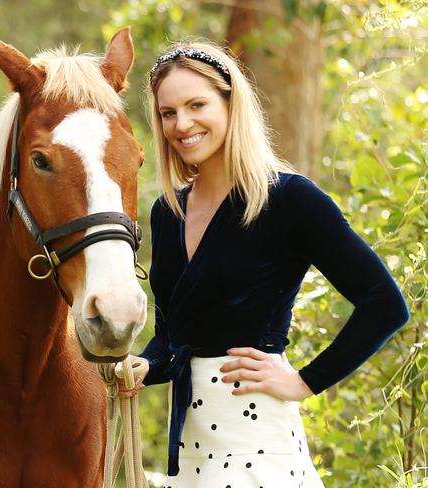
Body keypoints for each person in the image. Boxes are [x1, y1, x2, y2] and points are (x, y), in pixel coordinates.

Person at [118, 42, 410, 487]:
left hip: (259, 443)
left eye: (197, 105)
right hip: (191, 453)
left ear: (231, 104)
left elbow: (385, 303)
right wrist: (148, 366)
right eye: (168, 112)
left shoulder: (290, 199)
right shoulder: (168, 212)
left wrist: (306, 381)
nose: (183, 124)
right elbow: (173, 335)